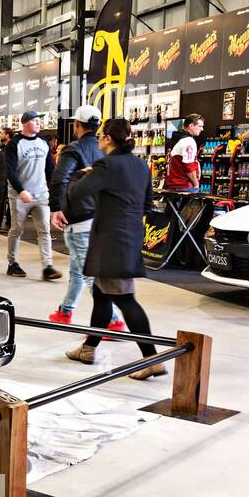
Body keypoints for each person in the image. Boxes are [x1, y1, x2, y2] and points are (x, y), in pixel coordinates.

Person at [64, 118, 165, 379]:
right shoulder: (141, 165)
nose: (97, 139)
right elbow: (147, 204)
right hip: (129, 236)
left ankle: (152, 358)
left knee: (125, 299)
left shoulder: (106, 165)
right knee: (101, 294)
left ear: (108, 138)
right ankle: (88, 349)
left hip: (111, 241)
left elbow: (77, 194)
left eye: (100, 136)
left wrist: (80, 174)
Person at [49, 105, 125, 331]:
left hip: (81, 220)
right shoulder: (106, 149)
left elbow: (59, 179)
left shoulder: (74, 149)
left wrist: (55, 207)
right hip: (101, 218)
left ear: (77, 125)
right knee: (77, 269)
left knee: (91, 275)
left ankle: (113, 322)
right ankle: (65, 311)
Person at [5, 110, 61, 280]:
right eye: (35, 121)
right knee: (17, 229)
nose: (38, 123)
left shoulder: (43, 142)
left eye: (39, 121)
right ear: (25, 123)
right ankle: (12, 263)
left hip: (41, 194)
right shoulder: (15, 144)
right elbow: (10, 170)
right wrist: (21, 190)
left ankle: (48, 266)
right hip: (19, 195)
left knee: (44, 230)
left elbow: (50, 169)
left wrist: (54, 191)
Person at [163, 114, 205, 192]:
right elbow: (189, 166)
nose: (202, 129)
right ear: (191, 126)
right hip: (184, 186)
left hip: (173, 185)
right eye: (200, 126)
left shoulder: (176, 139)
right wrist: (196, 185)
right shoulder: (188, 141)